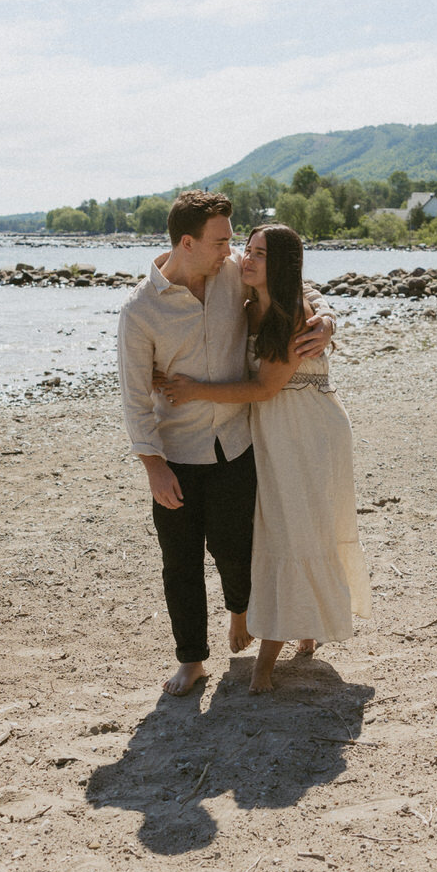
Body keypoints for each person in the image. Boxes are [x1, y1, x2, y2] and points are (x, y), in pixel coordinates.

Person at [117, 191, 334, 697]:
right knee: (181, 562)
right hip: (177, 452)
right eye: (222, 241)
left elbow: (294, 283)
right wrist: (153, 466)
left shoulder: (232, 271)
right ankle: (191, 660)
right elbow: (134, 400)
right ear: (187, 242)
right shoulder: (140, 311)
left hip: (238, 443)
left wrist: (325, 318)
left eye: (233, 242)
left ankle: (242, 611)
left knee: (237, 552)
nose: (231, 251)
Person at [158, 224, 371, 693]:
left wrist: (194, 390)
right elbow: (171, 264)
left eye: (260, 255)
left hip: (308, 431)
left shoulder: (296, 312)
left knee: (292, 529)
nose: (247, 259)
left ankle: (266, 664)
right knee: (285, 526)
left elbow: (265, 387)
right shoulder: (247, 293)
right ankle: (306, 630)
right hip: (270, 430)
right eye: (247, 250)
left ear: (283, 265)